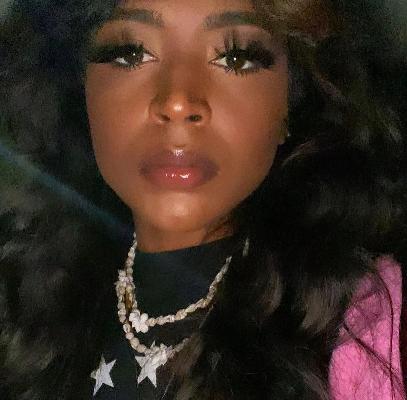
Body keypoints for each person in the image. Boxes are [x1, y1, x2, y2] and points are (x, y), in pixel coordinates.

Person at [0, 0, 406, 399]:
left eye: (236, 58)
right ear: (80, 90)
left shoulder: (367, 323)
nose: (178, 102)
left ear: (289, 103)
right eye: (131, 53)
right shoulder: (28, 291)